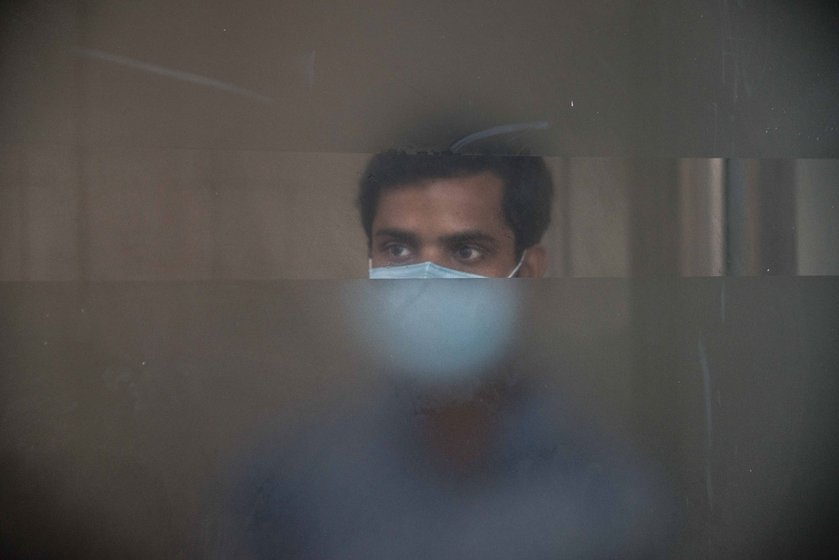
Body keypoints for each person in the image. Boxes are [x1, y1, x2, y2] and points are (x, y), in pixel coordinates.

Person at [215, 148, 677, 559]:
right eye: (398, 248)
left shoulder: (611, 494)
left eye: (467, 250)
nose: (425, 282)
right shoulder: (292, 479)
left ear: (529, 271)